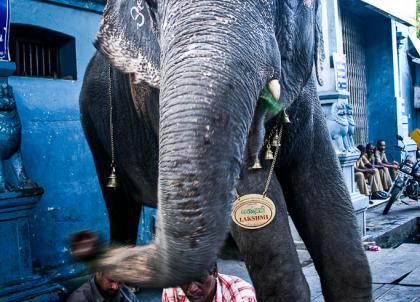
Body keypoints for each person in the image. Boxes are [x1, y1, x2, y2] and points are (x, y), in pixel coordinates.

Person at [162, 263, 256, 302]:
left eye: (199, 278)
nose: (192, 289)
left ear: (215, 271)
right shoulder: (173, 289)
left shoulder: (241, 296)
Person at [67, 271, 139, 302]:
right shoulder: (79, 300)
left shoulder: (127, 295)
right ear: (98, 273)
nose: (115, 287)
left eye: (120, 282)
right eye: (111, 280)